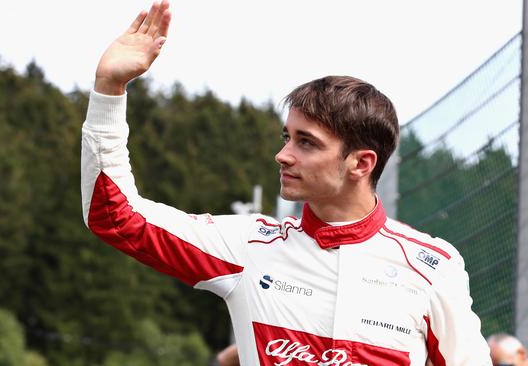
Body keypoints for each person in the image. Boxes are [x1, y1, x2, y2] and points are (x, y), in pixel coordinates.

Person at [80, 1, 491, 364]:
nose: (283, 155)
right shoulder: (248, 245)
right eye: (287, 137)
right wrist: (109, 89)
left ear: (361, 163)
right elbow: (115, 216)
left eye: (306, 143)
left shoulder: (434, 267)